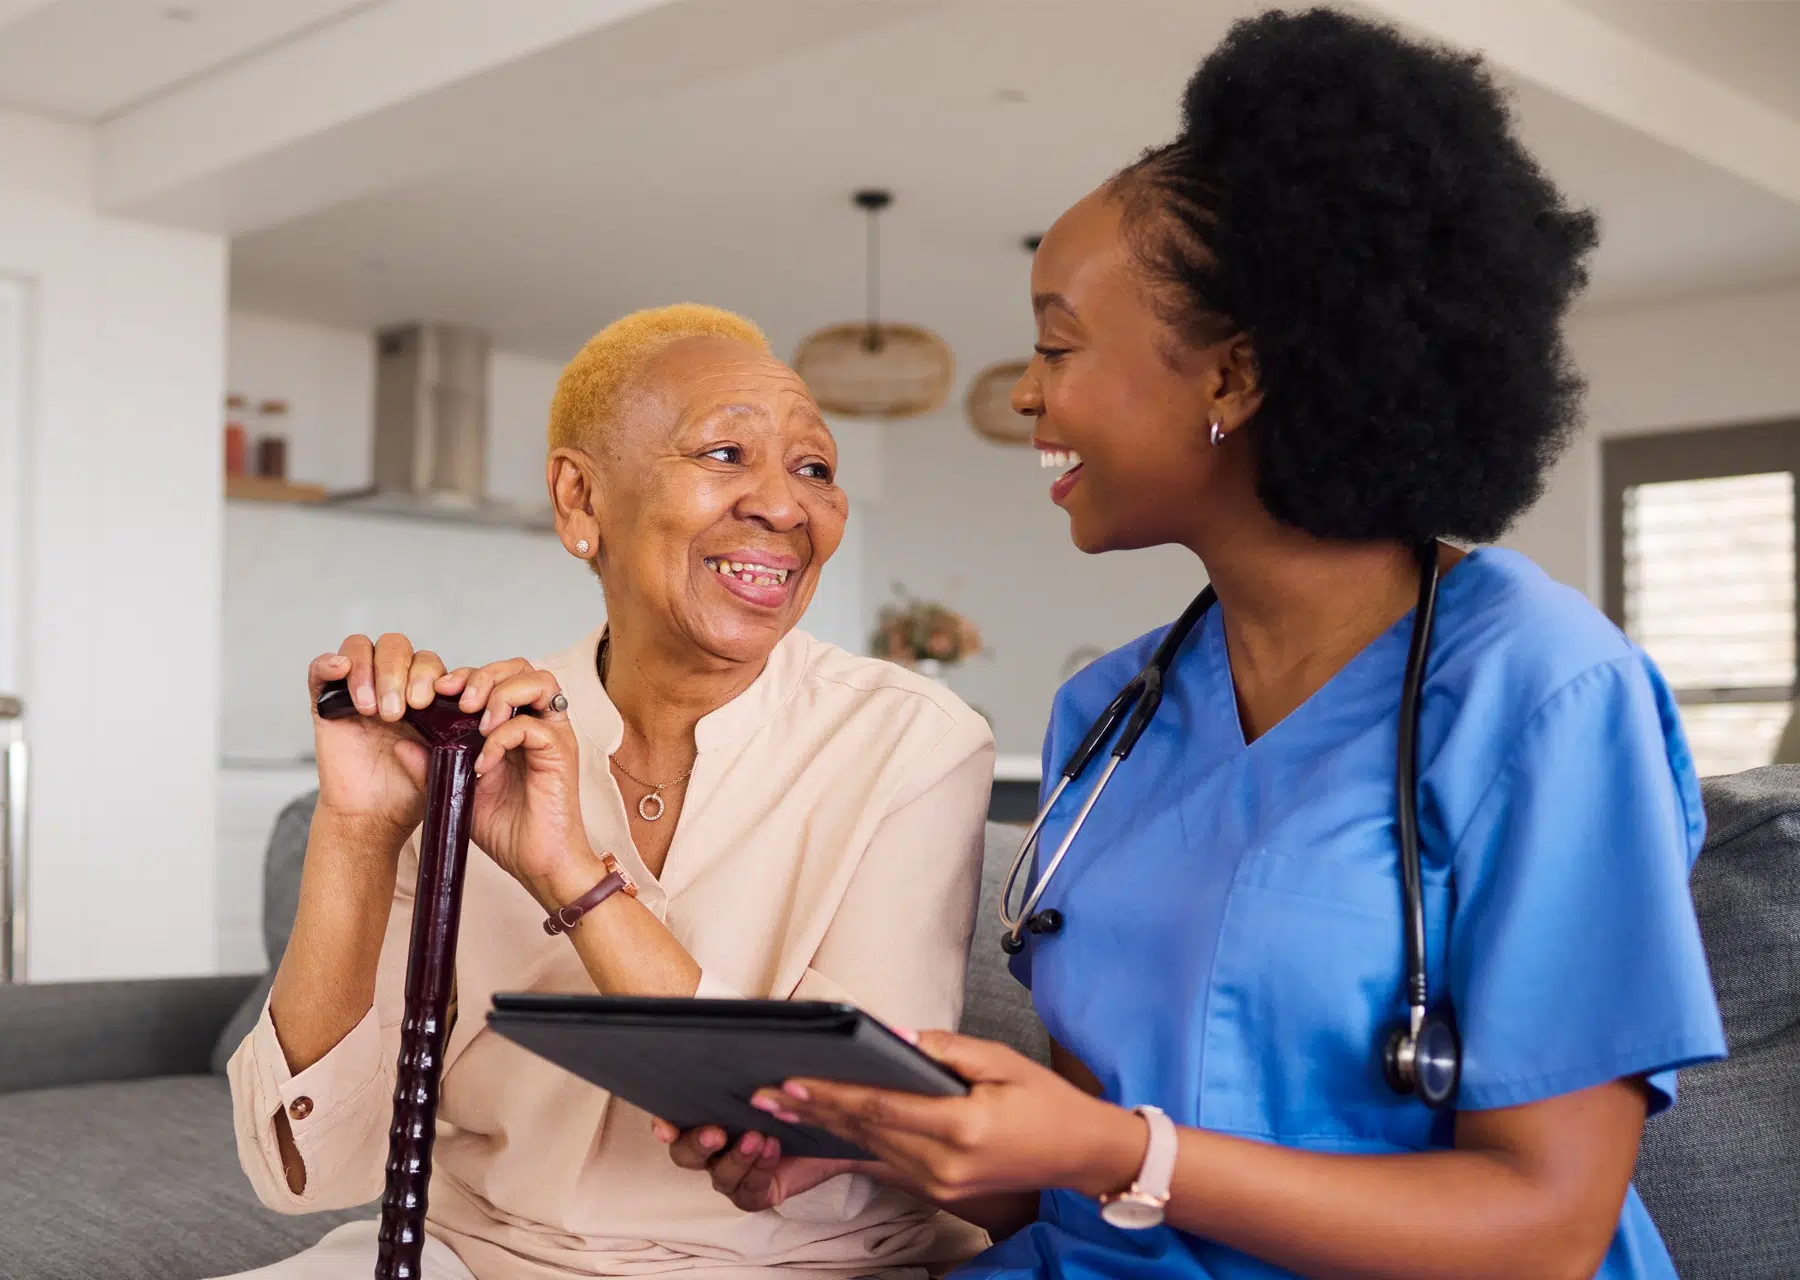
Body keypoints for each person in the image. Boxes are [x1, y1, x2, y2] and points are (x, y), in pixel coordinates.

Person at [667, 11, 1725, 1279]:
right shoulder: (1111, 714)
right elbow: (1080, 1165)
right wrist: (884, 1142)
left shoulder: (1543, 688)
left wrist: (1118, 1149)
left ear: (1234, 377)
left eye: (1058, 345)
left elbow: (1547, 1228)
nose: (1025, 394)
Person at [222, 304, 995, 1279]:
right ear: (581, 499)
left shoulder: (913, 740)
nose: (786, 506)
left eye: (814, 468)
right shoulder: (475, 736)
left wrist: (572, 874)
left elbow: (844, 1112)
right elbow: (307, 1165)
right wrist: (359, 826)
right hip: (474, 1250)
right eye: (724, 452)